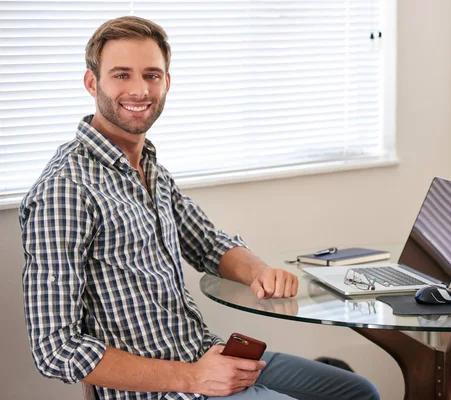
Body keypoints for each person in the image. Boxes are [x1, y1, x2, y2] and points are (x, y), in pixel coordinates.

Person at [19, 16, 380, 400]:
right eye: (121, 75)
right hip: (168, 389)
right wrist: (192, 378)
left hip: (203, 355)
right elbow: (55, 349)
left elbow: (208, 244)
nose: (140, 89)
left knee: (358, 392)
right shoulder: (65, 190)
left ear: (167, 83)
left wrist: (260, 271)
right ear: (92, 83)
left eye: (152, 75)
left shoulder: (147, 167)